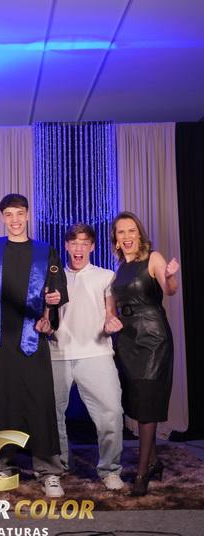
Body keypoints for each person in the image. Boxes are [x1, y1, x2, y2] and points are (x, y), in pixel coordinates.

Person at [0, 193, 68, 498]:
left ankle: (48, 471)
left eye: (19, 213)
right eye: (9, 214)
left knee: (39, 403)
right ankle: (3, 464)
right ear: (2, 217)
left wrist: (51, 308)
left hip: (31, 339)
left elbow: (56, 291)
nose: (15, 220)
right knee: (1, 402)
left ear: (27, 215)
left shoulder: (45, 251)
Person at [48, 223, 124, 490]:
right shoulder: (53, 277)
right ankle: (58, 467)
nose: (78, 248)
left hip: (96, 352)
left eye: (84, 243)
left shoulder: (106, 276)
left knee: (111, 413)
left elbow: (110, 312)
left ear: (91, 247)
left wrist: (111, 322)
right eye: (74, 243)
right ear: (66, 246)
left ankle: (110, 469)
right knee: (52, 416)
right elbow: (45, 314)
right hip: (57, 354)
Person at [108, 211, 179, 496]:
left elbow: (169, 290)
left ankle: (141, 473)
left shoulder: (154, 258)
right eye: (121, 232)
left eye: (131, 230)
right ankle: (154, 462)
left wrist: (170, 277)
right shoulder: (118, 270)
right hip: (126, 339)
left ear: (140, 234)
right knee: (137, 401)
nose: (126, 236)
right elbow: (112, 309)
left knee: (148, 401)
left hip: (152, 337)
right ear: (116, 239)